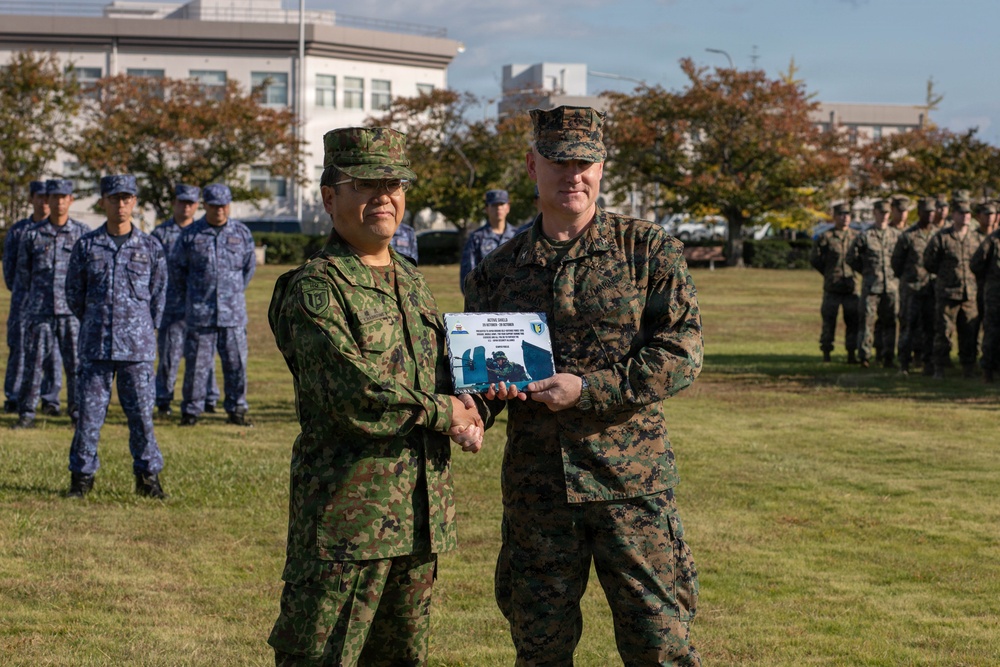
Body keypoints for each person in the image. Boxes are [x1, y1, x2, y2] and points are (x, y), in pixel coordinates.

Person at [464, 106, 704, 665]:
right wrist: (470, 410)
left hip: (631, 486)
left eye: (585, 162)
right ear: (532, 165)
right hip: (537, 492)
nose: (573, 174)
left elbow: (682, 352)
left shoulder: (647, 251)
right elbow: (479, 372)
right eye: (558, 161)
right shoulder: (498, 272)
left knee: (660, 647)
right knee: (539, 649)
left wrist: (589, 389)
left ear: (602, 167)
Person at [267, 126, 486, 665]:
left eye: (394, 184)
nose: (383, 197)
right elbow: (353, 394)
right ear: (329, 197)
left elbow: (437, 372)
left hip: (419, 518)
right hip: (347, 525)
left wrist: (472, 405)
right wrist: (443, 411)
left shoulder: (410, 280)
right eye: (364, 184)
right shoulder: (317, 287)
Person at [64, 175, 168, 499]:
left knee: (141, 417)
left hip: (136, 350)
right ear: (103, 202)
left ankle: (148, 479)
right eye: (114, 198)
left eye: (126, 198)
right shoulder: (86, 246)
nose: (120, 204)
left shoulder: (150, 247)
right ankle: (81, 479)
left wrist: (139, 327)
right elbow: (73, 293)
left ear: (134, 202)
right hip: (96, 346)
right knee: (88, 417)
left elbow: (159, 296)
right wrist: (96, 320)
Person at [170, 183, 256, 426]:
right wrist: (194, 297)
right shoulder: (191, 235)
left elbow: (248, 269)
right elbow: (177, 270)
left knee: (236, 363)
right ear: (205, 205)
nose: (219, 210)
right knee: (197, 365)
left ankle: (236, 409)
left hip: (233, 313)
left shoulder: (241, 233)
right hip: (201, 312)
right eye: (214, 205)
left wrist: (233, 292)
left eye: (223, 205)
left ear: (228, 205)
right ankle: (191, 411)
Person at [11, 179, 88, 429]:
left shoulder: (82, 234)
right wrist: (26, 311)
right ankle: (27, 413)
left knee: (76, 365)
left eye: (64, 197)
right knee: (33, 364)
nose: (58, 202)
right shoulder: (32, 234)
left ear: (71, 200)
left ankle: (77, 413)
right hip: (40, 311)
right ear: (49, 199)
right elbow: (23, 278)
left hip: (71, 313)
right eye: (54, 197)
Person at [151, 184, 219, 418]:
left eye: (191, 203)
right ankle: (163, 399)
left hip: (202, 306)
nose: (186, 206)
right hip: (173, 306)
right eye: (182, 202)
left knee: (203, 357)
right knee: (169, 356)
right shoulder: (159, 234)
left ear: (196, 205)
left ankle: (209, 398)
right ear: (174, 203)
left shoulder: (204, 231)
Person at [3, 180, 59, 414]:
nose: (45, 202)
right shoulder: (19, 231)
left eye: (49, 198)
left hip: (51, 304)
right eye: (40, 197)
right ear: (31, 199)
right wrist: (21, 292)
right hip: (23, 302)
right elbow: (10, 268)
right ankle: (14, 396)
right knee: (19, 348)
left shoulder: (57, 229)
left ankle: (50, 398)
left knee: (51, 351)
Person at [924, 194, 983, 378]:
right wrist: (945, 276)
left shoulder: (976, 238)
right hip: (947, 293)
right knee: (943, 333)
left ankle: (968, 367)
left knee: (969, 334)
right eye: (961, 213)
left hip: (969, 294)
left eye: (968, 213)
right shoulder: (942, 237)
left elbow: (981, 263)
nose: (966, 216)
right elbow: (929, 262)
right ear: (954, 215)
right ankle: (939, 368)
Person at [847, 199, 901, 368]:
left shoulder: (896, 235)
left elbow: (902, 258)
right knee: (867, 322)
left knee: (890, 322)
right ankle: (864, 356)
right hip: (871, 286)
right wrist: (867, 272)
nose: (884, 216)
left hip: (891, 286)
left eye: (886, 213)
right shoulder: (865, 236)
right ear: (874, 213)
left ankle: (887, 356)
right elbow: (851, 258)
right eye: (881, 213)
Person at [891, 197, 938, 375]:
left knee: (930, 327)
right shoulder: (908, 236)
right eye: (927, 212)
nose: (930, 215)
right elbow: (896, 263)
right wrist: (909, 278)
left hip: (931, 289)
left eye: (933, 211)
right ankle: (904, 363)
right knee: (908, 327)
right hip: (912, 289)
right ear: (919, 213)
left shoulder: (939, 234)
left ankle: (928, 363)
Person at [809, 202, 859, 363]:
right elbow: (815, 259)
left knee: (853, 321)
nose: (845, 218)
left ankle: (851, 353)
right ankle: (826, 353)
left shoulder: (856, 237)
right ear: (835, 216)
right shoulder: (826, 237)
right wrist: (828, 273)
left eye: (848, 215)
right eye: (841, 215)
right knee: (829, 321)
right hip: (832, 286)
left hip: (851, 287)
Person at [459, 189, 519, 293]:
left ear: (508, 207)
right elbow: (468, 276)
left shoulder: (518, 236)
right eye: (494, 205)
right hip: (485, 300)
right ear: (487, 208)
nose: (498, 208)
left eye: (502, 204)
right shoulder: (477, 238)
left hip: (513, 300)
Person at [972, 218, 1000, 382]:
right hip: (995, 295)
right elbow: (976, 264)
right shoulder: (993, 239)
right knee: (992, 331)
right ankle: (987, 370)